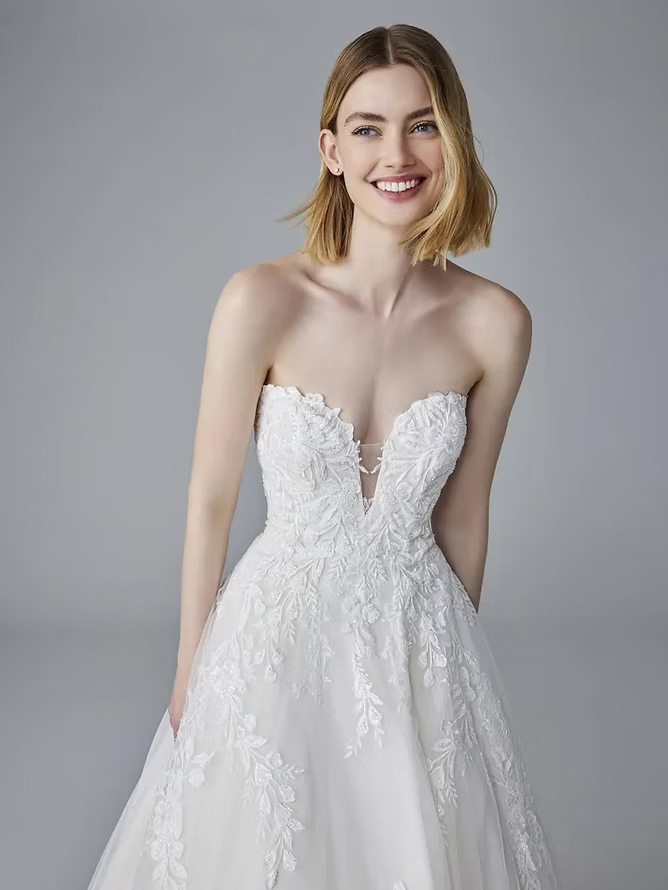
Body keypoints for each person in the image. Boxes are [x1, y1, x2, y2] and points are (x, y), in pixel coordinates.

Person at [87, 23, 562, 890]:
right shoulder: (262, 300)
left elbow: (465, 512)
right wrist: (195, 663)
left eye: (423, 124)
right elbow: (210, 497)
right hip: (278, 631)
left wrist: (449, 674)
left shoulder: (495, 321)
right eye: (368, 127)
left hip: (421, 632)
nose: (398, 153)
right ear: (331, 149)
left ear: (452, 138)